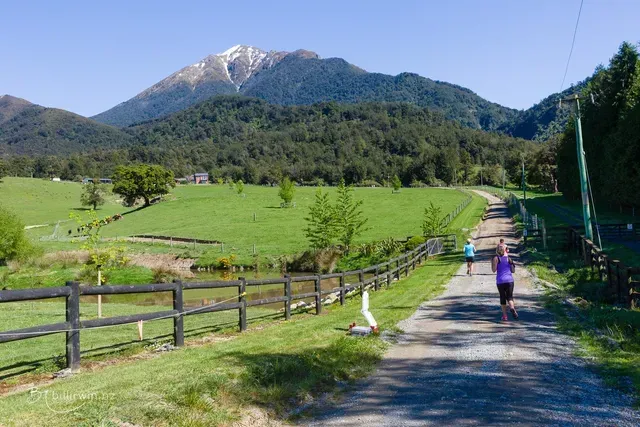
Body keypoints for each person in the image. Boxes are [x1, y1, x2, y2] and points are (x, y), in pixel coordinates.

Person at [491, 246, 518, 321]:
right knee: (509, 297)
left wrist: (493, 264)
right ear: (505, 250)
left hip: (500, 281)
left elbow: (493, 270)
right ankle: (512, 308)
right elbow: (513, 271)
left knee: (502, 297)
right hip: (509, 280)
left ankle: (505, 316)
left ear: (497, 251)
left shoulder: (496, 258)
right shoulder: (509, 258)